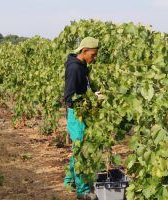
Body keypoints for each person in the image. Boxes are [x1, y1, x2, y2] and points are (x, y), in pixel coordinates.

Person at [63, 37, 99, 200]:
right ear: (84, 51)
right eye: (93, 54)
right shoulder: (74, 69)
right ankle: (83, 191)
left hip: (82, 113)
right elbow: (69, 98)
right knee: (82, 152)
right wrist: (92, 99)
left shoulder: (83, 66)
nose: (94, 58)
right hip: (76, 115)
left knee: (79, 149)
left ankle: (69, 181)